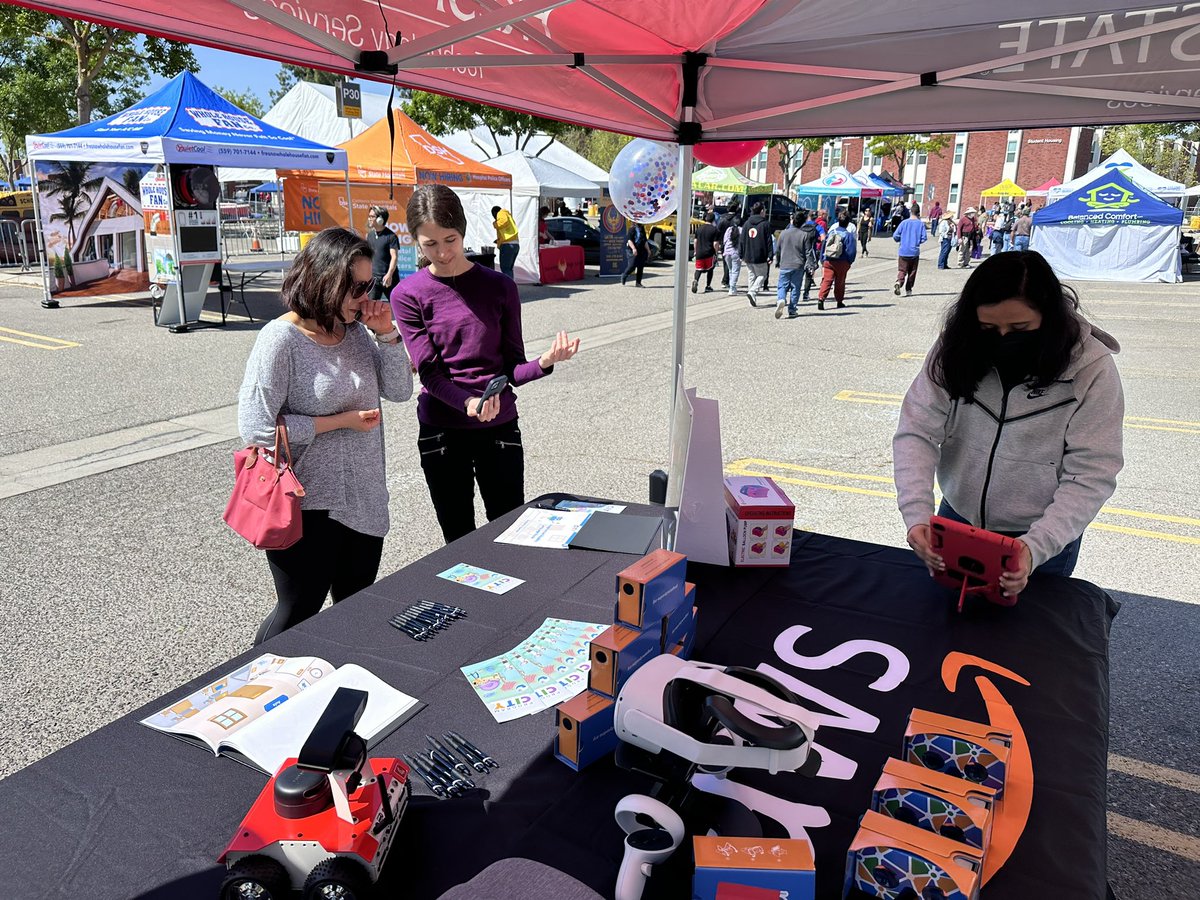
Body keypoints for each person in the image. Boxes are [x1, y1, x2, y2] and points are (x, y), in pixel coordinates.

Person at [893, 250, 1124, 597]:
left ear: (1049, 316)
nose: (1003, 338)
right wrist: (917, 515)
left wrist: (1034, 549)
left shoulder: (1091, 368)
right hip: (957, 520)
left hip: (1040, 539)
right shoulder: (957, 348)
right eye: (988, 328)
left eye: (1020, 329)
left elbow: (1091, 473)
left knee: (1024, 645)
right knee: (940, 631)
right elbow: (917, 430)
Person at [237, 228, 414, 644]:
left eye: (368, 284)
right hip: (306, 500)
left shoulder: (353, 331)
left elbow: (400, 391)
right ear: (323, 279)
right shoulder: (280, 340)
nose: (363, 295)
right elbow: (256, 429)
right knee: (299, 611)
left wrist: (387, 334)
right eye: (354, 286)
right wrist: (337, 422)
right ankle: (257, 689)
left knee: (355, 610)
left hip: (365, 497)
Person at [393, 185, 580, 544]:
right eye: (429, 244)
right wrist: (468, 402)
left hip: (499, 428)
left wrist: (545, 361)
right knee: (458, 538)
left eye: (450, 239)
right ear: (415, 242)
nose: (443, 252)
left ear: (463, 231)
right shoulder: (408, 294)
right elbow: (429, 372)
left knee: (510, 533)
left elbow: (513, 369)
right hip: (442, 430)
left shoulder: (499, 287)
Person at [774, 211, 819, 318]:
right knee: (795, 287)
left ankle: (781, 299)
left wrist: (778, 261)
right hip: (798, 265)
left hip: (785, 263)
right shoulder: (804, 235)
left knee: (782, 286)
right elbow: (808, 251)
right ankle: (792, 309)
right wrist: (811, 265)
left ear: (793, 220)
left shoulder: (783, 233)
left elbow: (778, 249)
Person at [816, 211, 857, 311]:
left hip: (828, 259)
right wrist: (849, 262)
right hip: (842, 261)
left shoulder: (831, 232)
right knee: (840, 282)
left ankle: (821, 298)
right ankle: (839, 301)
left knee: (827, 280)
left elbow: (824, 246)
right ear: (848, 222)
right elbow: (851, 251)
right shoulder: (848, 235)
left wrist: (822, 258)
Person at [738, 202, 773, 306]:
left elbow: (742, 239)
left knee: (751, 276)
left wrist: (741, 253)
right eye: (765, 210)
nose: (765, 212)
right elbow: (769, 241)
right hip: (760, 254)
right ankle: (752, 292)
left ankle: (751, 297)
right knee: (762, 275)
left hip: (748, 254)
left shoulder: (747, 223)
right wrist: (770, 255)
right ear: (762, 211)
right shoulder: (765, 224)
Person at [365, 207, 399, 300]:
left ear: (380, 219)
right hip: (374, 280)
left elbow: (394, 257)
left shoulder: (391, 236)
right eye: (369, 216)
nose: (369, 219)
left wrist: (389, 274)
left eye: (372, 216)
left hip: (389, 279)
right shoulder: (370, 235)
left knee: (396, 306)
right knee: (370, 307)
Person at [892, 211, 928, 296]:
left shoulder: (904, 223)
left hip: (903, 251)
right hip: (914, 252)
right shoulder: (920, 224)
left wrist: (900, 240)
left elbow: (895, 236)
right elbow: (924, 237)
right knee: (912, 271)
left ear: (910, 212)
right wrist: (917, 242)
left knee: (902, 269)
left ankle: (899, 282)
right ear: (918, 213)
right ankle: (908, 289)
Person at [692, 212, 721, 293]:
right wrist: (716, 253)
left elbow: (695, 241)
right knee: (710, 269)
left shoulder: (699, 228)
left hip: (699, 252)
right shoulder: (715, 230)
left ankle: (695, 280)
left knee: (698, 269)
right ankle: (708, 286)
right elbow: (715, 243)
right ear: (713, 220)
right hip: (709, 253)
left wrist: (695, 251)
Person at [491, 204, 519, 279]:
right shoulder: (508, 215)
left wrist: (495, 224)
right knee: (508, 269)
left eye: (493, 215)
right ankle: (511, 287)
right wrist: (499, 240)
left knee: (505, 269)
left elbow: (503, 222)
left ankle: (508, 288)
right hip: (515, 245)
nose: (494, 218)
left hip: (508, 246)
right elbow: (507, 233)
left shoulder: (501, 212)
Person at [716, 205, 739, 289]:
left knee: (726, 262)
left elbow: (718, 231)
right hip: (735, 243)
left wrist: (718, 242)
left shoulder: (722, 219)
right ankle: (726, 280)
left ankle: (727, 280)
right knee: (734, 264)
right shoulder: (736, 219)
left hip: (724, 243)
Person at [622, 221, 650, 288]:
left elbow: (644, 240)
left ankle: (638, 283)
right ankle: (625, 275)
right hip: (632, 250)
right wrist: (634, 249)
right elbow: (629, 240)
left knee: (640, 266)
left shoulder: (642, 229)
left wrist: (648, 250)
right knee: (632, 265)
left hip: (641, 250)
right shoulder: (632, 229)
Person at [722, 212, 743, 295]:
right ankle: (732, 288)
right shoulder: (741, 230)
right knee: (735, 271)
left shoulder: (728, 229)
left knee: (731, 270)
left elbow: (724, 241)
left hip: (727, 252)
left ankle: (732, 287)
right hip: (736, 252)